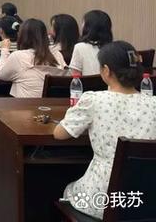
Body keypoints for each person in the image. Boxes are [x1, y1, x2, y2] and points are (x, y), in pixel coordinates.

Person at [54, 41, 156, 219]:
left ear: (107, 71)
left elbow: (59, 134)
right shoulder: (153, 104)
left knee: (68, 190)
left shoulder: (94, 100)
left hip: (103, 198)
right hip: (148, 199)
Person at [0, 18, 67, 97]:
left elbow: (2, 75)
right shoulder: (57, 54)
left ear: (22, 36)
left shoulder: (18, 56)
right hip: (54, 103)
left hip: (25, 104)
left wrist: (4, 50)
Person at [70, 10, 113, 76]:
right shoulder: (114, 49)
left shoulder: (79, 47)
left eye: (83, 23)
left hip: (87, 83)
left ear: (87, 27)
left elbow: (76, 76)